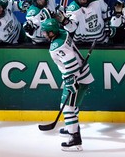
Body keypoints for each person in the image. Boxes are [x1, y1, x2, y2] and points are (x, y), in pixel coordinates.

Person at [40, 18, 94, 152]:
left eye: (46, 32)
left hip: (76, 78)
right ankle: (72, 126)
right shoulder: (63, 33)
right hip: (82, 75)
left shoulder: (57, 46)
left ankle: (74, 137)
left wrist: (70, 81)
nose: (44, 34)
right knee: (72, 105)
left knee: (67, 108)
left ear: (52, 33)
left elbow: (71, 63)